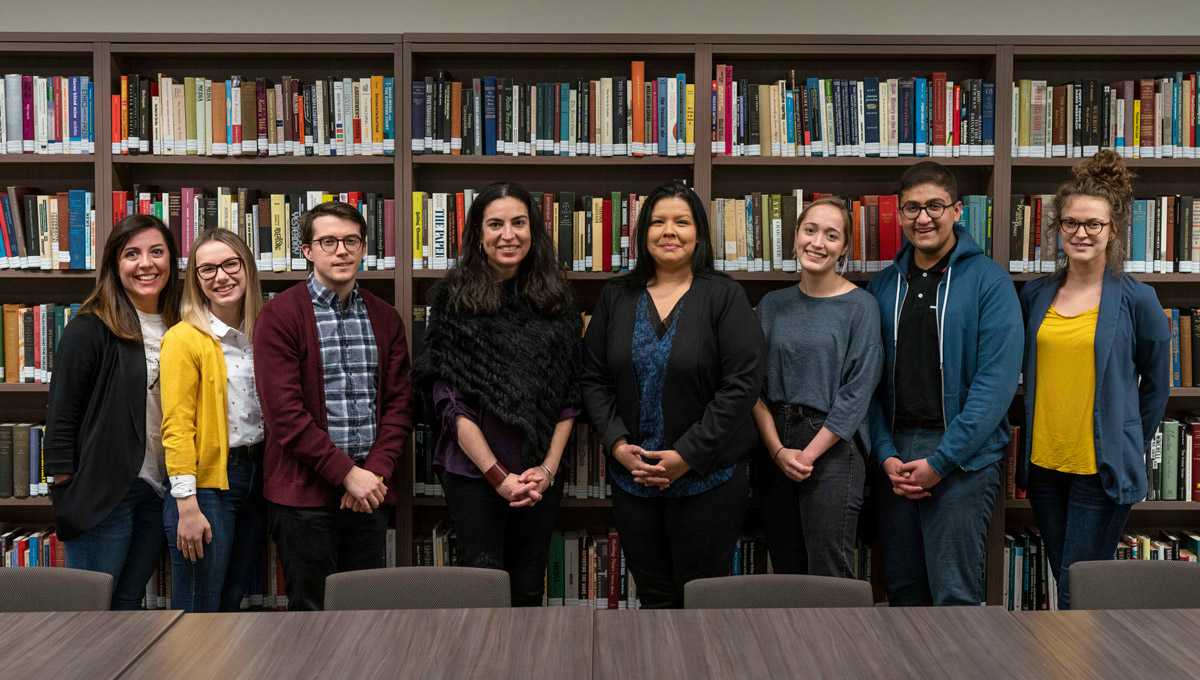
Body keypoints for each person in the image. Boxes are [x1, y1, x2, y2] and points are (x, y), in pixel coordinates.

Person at [581, 181, 765, 609]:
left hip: (710, 483)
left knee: (704, 603)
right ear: (643, 233)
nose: (670, 231)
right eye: (659, 221)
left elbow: (741, 387)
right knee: (654, 600)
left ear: (699, 233)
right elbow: (593, 378)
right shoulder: (616, 296)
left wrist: (686, 456)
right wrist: (617, 444)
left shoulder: (724, 296)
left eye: (682, 222)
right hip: (633, 482)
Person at [411, 182, 581, 607]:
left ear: (533, 230)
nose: (509, 235)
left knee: (527, 585)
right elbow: (450, 404)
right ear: (478, 236)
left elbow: (570, 396)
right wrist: (497, 477)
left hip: (538, 476)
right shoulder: (453, 300)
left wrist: (547, 470)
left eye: (519, 223)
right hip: (475, 474)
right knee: (483, 587)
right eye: (496, 224)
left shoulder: (557, 301)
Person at [1018, 151, 1170, 610]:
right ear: (1056, 229)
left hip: (1099, 469)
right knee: (1065, 577)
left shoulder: (1138, 299)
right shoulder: (1036, 293)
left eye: (1093, 224)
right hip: (1044, 466)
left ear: (1113, 231)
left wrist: (1126, 439)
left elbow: (1157, 385)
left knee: (1077, 588)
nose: (1080, 233)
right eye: (1070, 223)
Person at [866, 161, 1023, 606]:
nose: (923, 217)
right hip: (895, 458)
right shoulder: (882, 285)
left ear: (958, 211)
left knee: (954, 596)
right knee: (901, 593)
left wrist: (942, 460)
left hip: (962, 461)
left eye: (935, 206)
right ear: (898, 215)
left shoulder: (989, 282)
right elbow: (868, 384)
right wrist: (884, 455)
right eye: (912, 208)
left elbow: (995, 387)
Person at [253, 200, 413, 611]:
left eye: (351, 241)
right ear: (307, 250)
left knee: (363, 615)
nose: (341, 251)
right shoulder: (279, 316)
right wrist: (347, 475)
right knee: (310, 614)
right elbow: (285, 417)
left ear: (363, 248)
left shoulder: (386, 318)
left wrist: (371, 474)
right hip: (303, 501)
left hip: (369, 496)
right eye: (328, 241)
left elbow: (399, 406)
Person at [44, 214, 182, 609]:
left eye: (156, 252)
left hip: (158, 490)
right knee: (89, 610)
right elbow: (63, 411)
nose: (145, 264)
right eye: (131, 254)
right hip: (104, 492)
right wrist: (67, 484)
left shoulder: (181, 324)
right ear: (114, 265)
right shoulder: (91, 327)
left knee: (127, 603)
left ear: (171, 260)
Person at [752, 196, 882, 578]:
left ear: (844, 248)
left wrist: (807, 454)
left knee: (828, 570)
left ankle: (836, 642)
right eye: (810, 231)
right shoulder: (772, 305)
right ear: (795, 236)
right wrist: (777, 451)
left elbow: (858, 392)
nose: (817, 243)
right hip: (774, 442)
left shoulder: (862, 307)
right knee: (787, 569)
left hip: (832, 446)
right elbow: (752, 389)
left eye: (831, 235)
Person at [160, 228, 267, 612]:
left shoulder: (265, 332)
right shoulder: (183, 338)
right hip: (206, 487)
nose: (221, 276)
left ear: (247, 268)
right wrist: (187, 505)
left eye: (230, 264)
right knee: (198, 609)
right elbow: (176, 427)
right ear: (197, 281)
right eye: (207, 270)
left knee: (230, 601)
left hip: (259, 479)